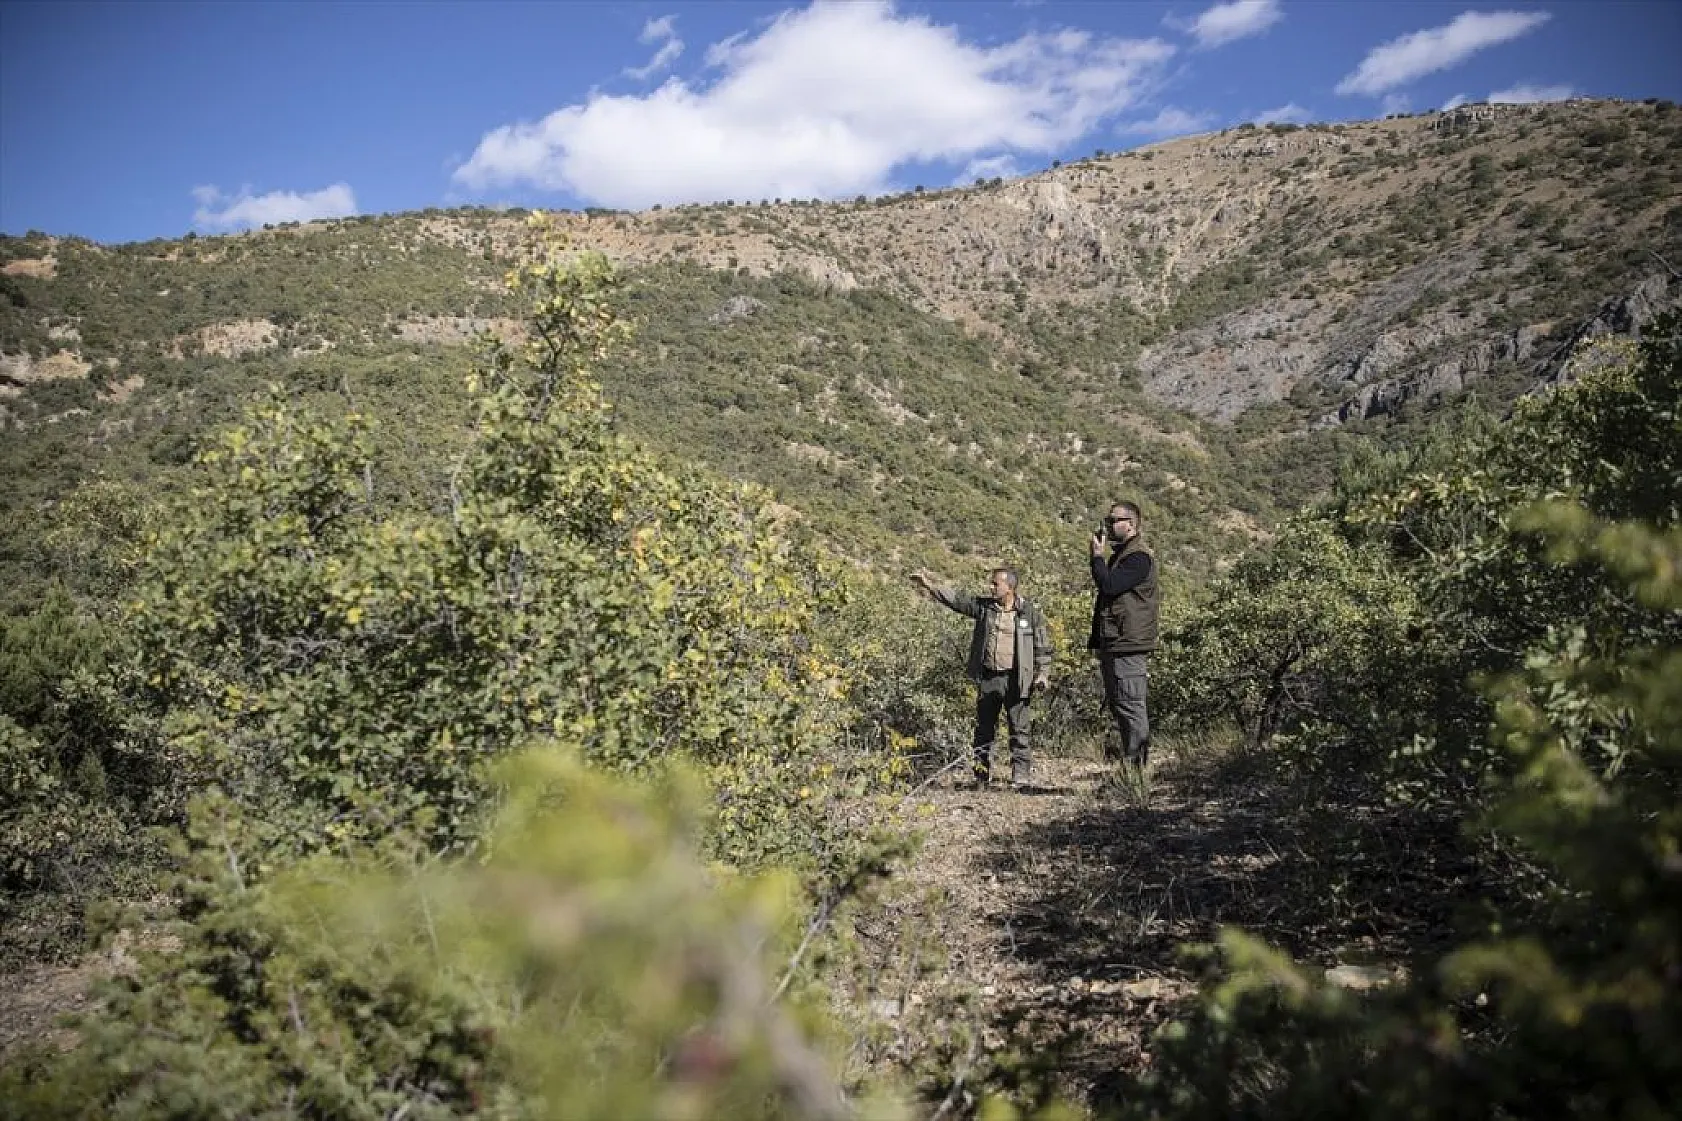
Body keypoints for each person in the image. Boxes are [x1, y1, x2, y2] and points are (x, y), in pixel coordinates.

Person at [910, 566, 1053, 787]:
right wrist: (929, 585)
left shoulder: (1029, 612)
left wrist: (1043, 674)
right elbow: (957, 600)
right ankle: (980, 774)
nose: (991, 587)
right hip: (988, 677)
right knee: (984, 729)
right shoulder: (985, 608)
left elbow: (1042, 645)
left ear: (1010, 587)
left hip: (1017, 680)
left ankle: (1021, 776)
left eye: (996, 584)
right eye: (992, 583)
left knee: (1019, 729)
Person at [1088, 501, 1160, 769]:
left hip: (1128, 644)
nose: (1107, 525)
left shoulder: (1138, 557)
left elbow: (1109, 585)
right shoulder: (1123, 555)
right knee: (1121, 706)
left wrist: (1096, 556)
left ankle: (1136, 771)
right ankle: (1130, 769)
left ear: (1130, 524)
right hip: (1118, 643)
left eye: (1113, 520)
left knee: (1131, 707)